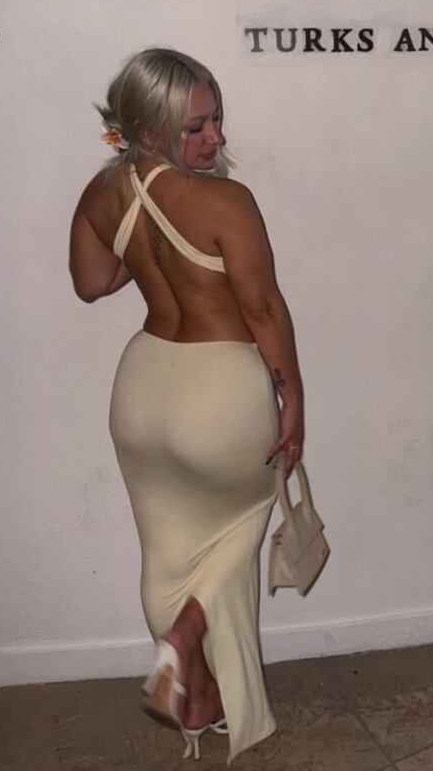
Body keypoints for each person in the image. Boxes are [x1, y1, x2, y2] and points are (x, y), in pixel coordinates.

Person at [69, 47, 304, 763]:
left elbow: (91, 282)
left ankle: (198, 699)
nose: (216, 138)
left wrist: (143, 245)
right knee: (242, 523)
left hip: (143, 390)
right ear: (149, 128)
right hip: (218, 391)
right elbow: (263, 310)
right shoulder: (226, 202)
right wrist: (292, 397)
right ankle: (183, 637)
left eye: (216, 120)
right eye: (196, 127)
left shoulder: (103, 192)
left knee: (168, 552)